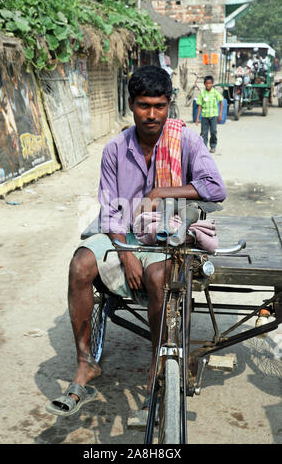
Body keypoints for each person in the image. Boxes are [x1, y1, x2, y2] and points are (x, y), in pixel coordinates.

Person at [46, 65, 226, 417]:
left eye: (159, 105)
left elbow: (216, 189)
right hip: (121, 234)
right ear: (131, 104)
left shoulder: (185, 141)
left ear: (170, 104)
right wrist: (126, 256)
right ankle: (86, 363)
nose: (152, 114)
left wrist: (162, 190)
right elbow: (111, 211)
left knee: (159, 277)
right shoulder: (115, 149)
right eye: (144, 105)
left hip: (165, 235)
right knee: (80, 263)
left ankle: (158, 366)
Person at [195, 75, 223, 153]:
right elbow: (200, 105)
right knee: (204, 133)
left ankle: (213, 146)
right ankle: (204, 147)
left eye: (210, 83)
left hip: (214, 116)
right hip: (205, 116)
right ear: (204, 84)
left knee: (213, 132)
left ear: (212, 84)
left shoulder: (215, 93)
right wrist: (197, 118)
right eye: (207, 83)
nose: (208, 85)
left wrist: (220, 114)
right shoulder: (202, 94)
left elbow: (221, 102)